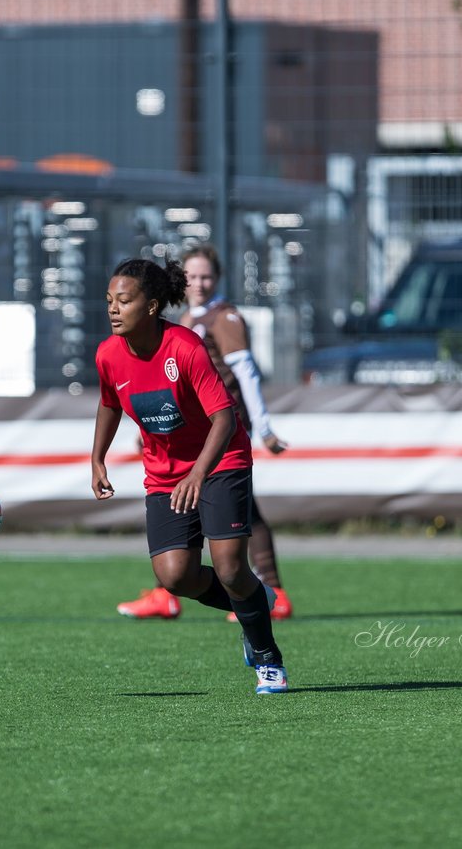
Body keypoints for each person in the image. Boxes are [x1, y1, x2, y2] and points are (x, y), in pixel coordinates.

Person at [92, 257, 288, 694]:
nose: (113, 309)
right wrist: (97, 458)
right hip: (165, 475)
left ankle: (267, 657)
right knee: (174, 575)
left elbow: (224, 417)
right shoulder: (108, 354)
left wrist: (200, 473)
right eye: (109, 300)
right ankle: (255, 600)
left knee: (231, 567)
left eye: (123, 300)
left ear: (151, 306)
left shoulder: (184, 347)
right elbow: (108, 403)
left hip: (220, 462)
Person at [116, 244, 292, 622]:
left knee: (238, 519)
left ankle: (266, 591)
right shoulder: (187, 318)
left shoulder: (223, 317)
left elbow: (246, 373)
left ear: (218, 279)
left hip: (221, 431)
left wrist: (263, 427)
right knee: (234, 516)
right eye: (192, 276)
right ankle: (182, 590)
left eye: (206, 276)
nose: (198, 283)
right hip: (187, 434)